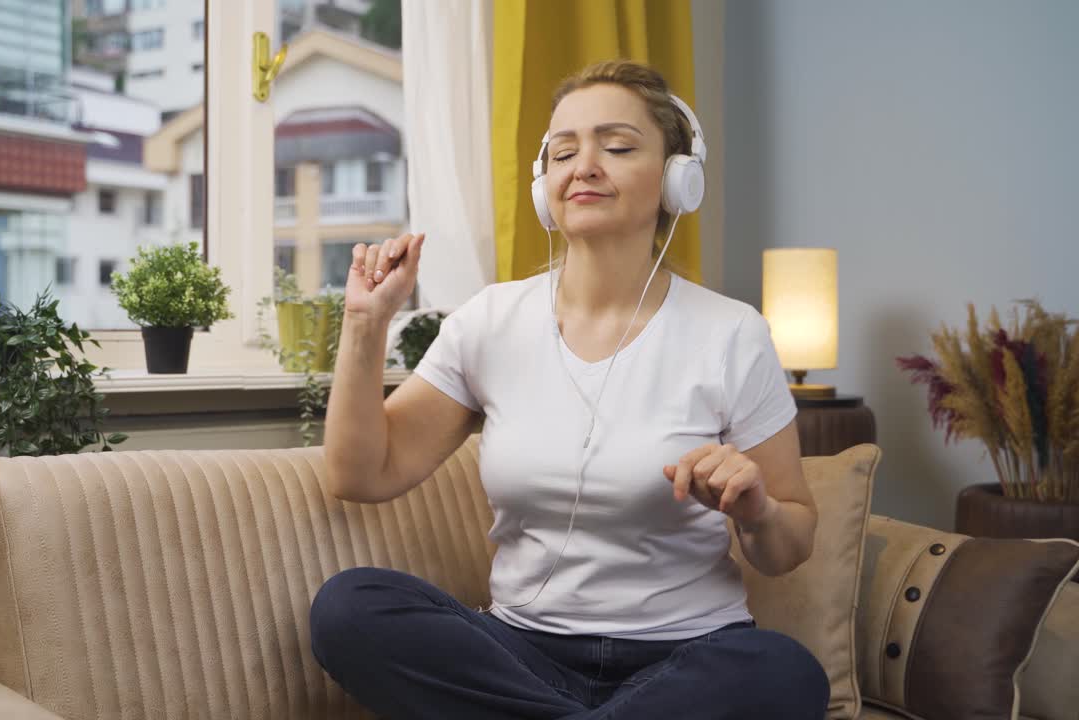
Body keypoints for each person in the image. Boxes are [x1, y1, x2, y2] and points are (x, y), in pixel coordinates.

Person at [310, 60, 830, 720]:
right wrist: (364, 324)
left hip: (687, 659)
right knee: (351, 608)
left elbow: (792, 543)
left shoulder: (731, 333)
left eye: (616, 147)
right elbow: (361, 473)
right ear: (543, 184)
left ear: (678, 179)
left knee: (785, 675)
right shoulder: (489, 321)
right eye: (562, 152)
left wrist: (756, 509)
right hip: (520, 654)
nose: (583, 166)